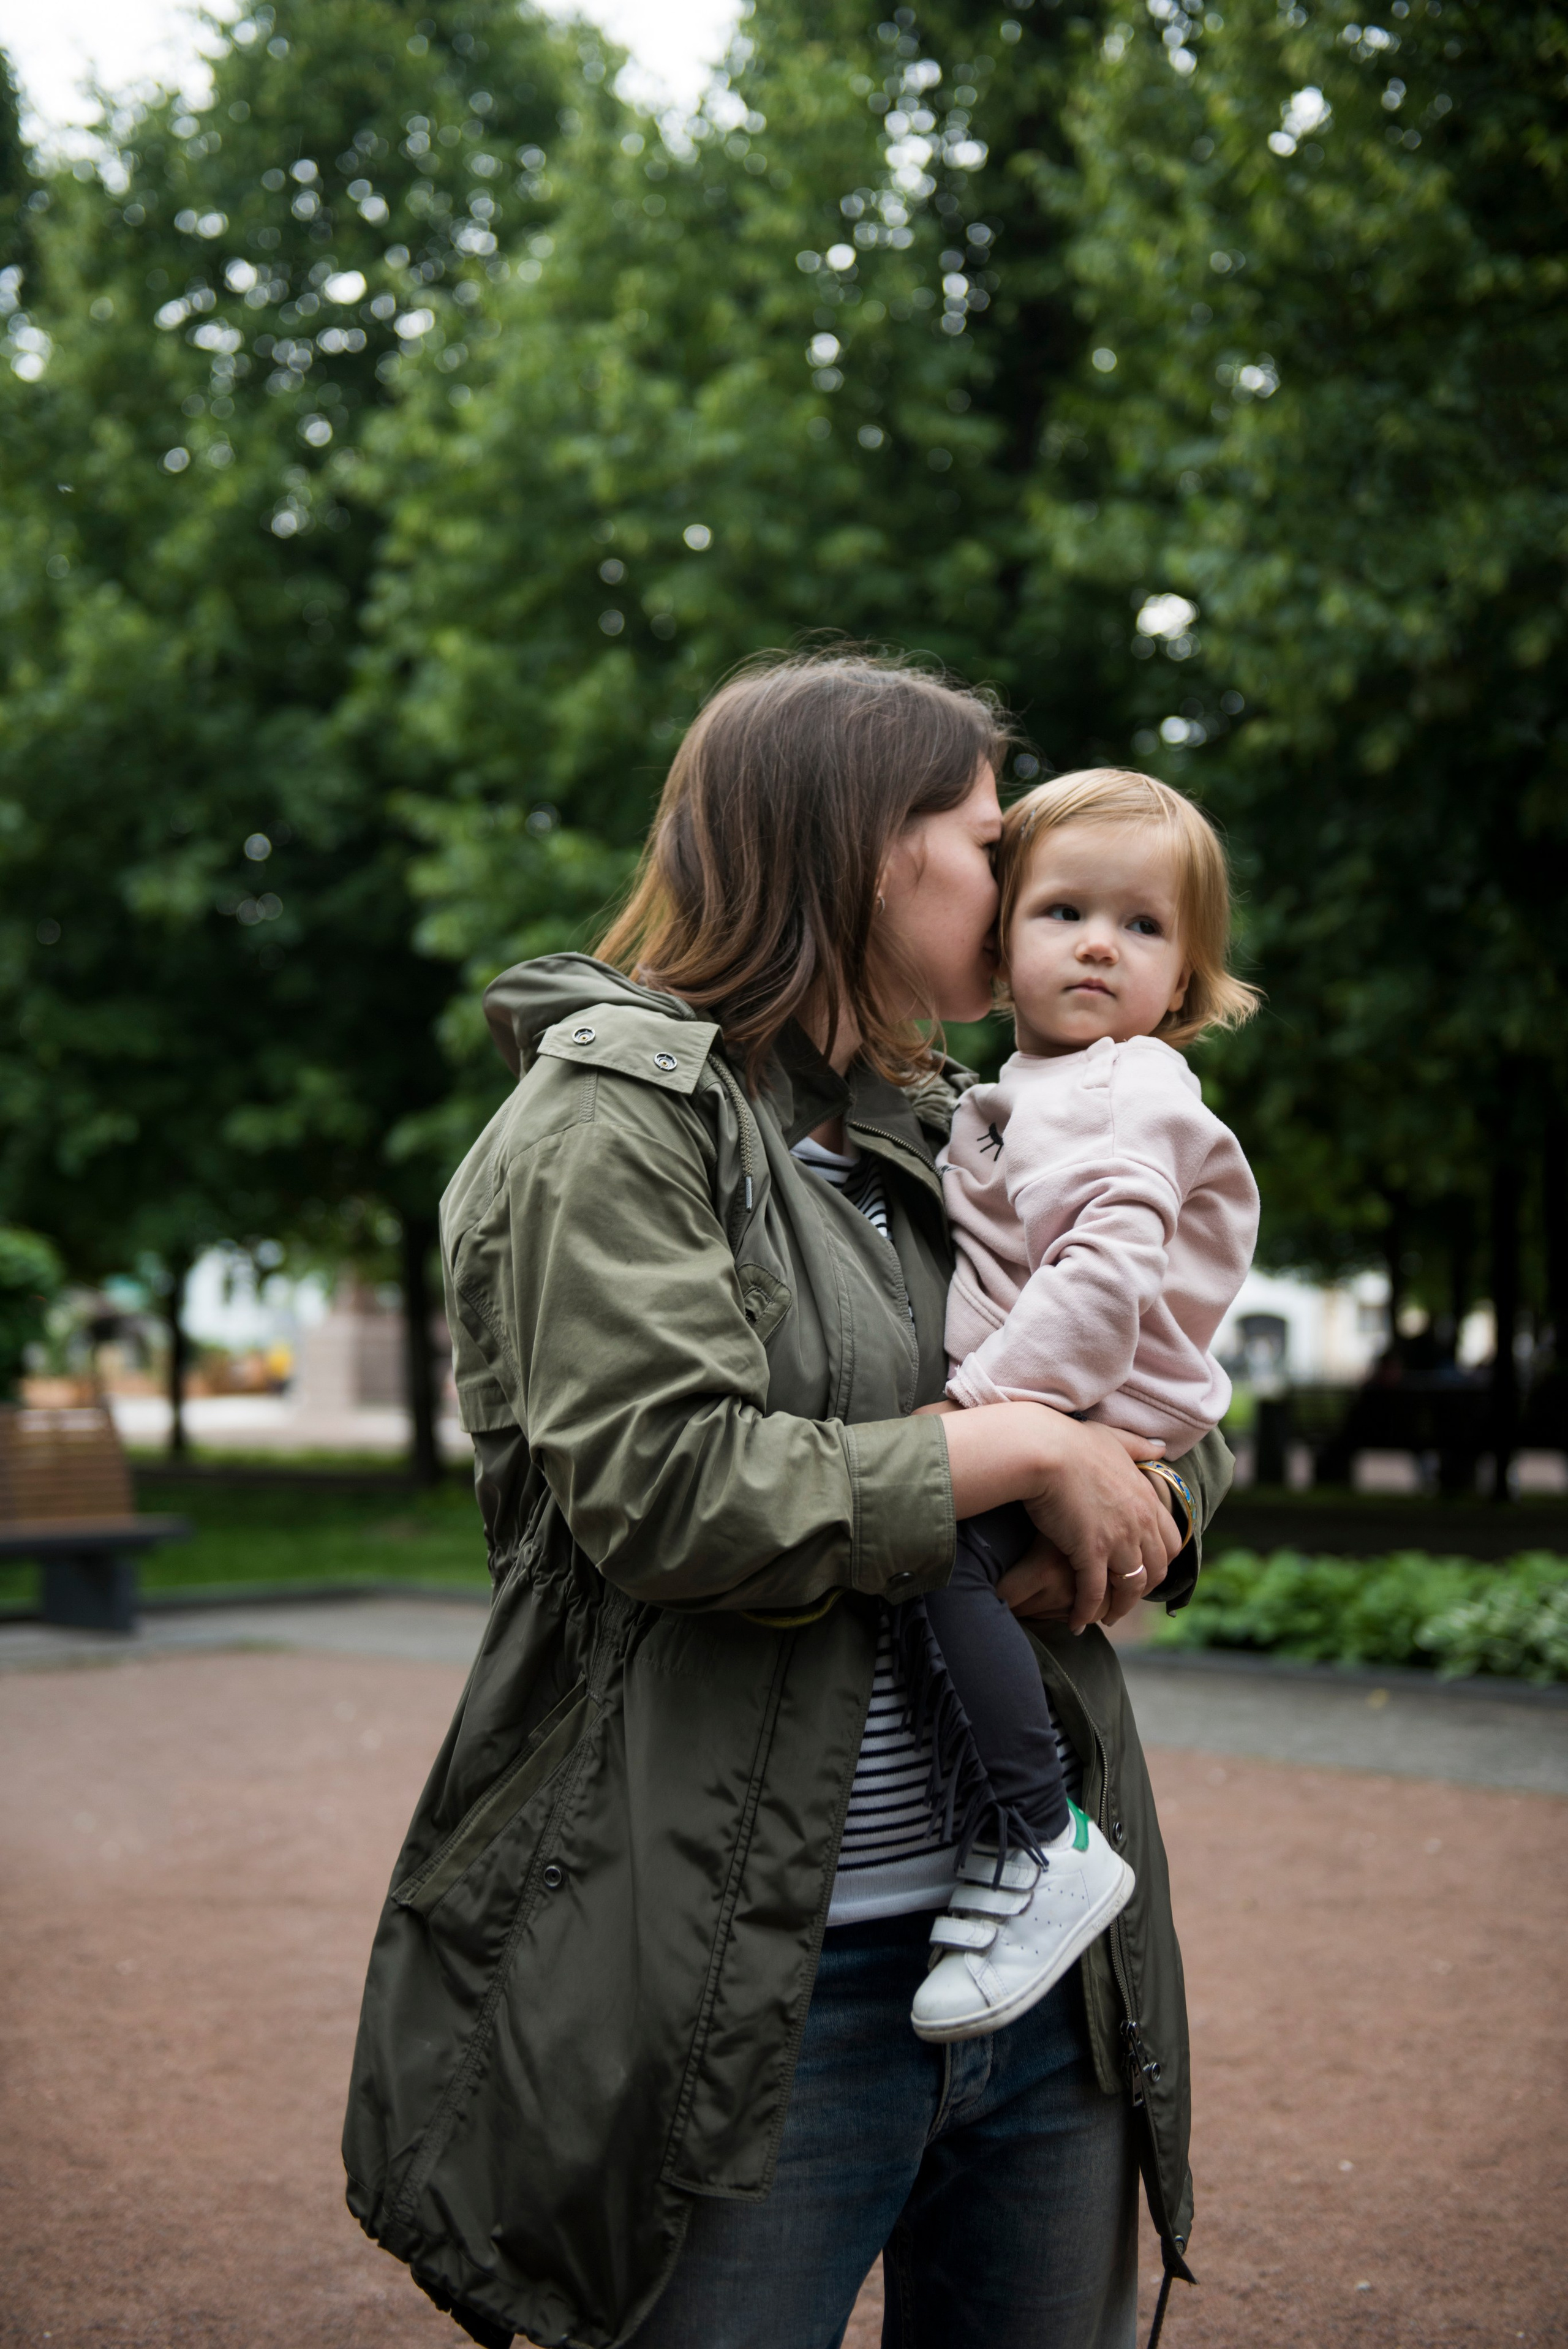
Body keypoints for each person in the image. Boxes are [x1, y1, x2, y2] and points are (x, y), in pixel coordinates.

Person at [343, 655, 1235, 2349]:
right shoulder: (614, 1122)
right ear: (865, 851)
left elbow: (1160, 1370)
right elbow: (672, 1488)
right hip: (755, 1987)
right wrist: (1022, 1454)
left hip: (1045, 1961)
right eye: (989, 843)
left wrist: (1156, 1489)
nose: (1023, 885)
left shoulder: (968, 1120)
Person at [906, 769, 1261, 2046]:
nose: (1100, 944)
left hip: (1088, 1406)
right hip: (1081, 1406)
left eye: (1143, 925)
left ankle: (1035, 1840)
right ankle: (1002, 1833)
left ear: (1186, 977)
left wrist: (975, 1416)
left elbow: (1102, 1284)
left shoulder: (1115, 1094)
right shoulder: (1034, 1088)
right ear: (998, 939)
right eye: (1063, 912)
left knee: (934, 1553)